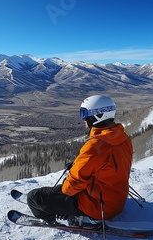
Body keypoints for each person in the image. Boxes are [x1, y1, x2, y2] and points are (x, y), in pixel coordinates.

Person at [27, 95, 133, 224]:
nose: (83, 119)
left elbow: (70, 187)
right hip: (116, 200)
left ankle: (53, 218)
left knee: (34, 198)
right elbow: (105, 166)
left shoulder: (96, 145)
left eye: (85, 114)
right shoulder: (122, 138)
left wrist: (59, 191)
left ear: (98, 115)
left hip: (98, 207)